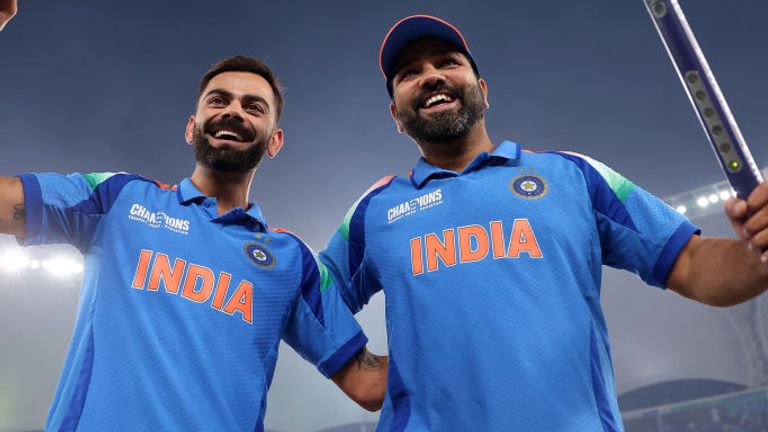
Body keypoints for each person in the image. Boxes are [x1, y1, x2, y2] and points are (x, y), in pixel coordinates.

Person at [319, 14, 768, 431]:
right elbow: (303, 292)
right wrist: (353, 369)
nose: (431, 75)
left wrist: (756, 255)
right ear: (396, 116)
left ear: (482, 88)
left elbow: (689, 262)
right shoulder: (375, 210)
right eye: (409, 73)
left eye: (447, 62)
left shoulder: (573, 175)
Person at [0, 5, 386, 429]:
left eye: (254, 107)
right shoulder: (119, 200)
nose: (234, 111)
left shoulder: (291, 261)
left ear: (274, 141)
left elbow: (367, 383)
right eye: (218, 100)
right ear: (191, 127)